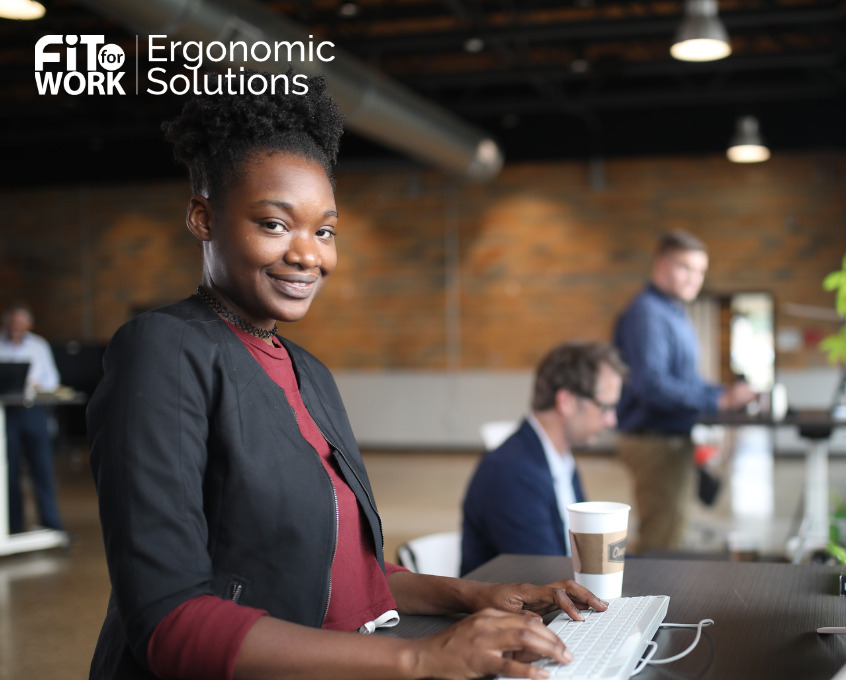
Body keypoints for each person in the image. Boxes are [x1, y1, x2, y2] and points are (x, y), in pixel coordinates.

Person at [86, 74, 605, 680]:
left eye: (324, 230)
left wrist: (478, 596)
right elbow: (170, 621)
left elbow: (346, 573)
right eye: (275, 224)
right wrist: (419, 656)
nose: (310, 254)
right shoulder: (164, 349)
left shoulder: (310, 374)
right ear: (203, 217)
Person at [612, 230, 757, 554]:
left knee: (671, 531)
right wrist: (716, 400)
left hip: (670, 439)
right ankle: (642, 603)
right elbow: (651, 384)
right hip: (654, 441)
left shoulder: (673, 311)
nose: (695, 279)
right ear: (661, 265)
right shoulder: (648, 313)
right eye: (685, 268)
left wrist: (724, 393)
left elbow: (686, 379)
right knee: (659, 540)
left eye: (700, 271)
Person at [461, 342, 627, 575]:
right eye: (605, 406)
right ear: (567, 402)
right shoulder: (510, 472)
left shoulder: (560, 460)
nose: (612, 421)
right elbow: (543, 578)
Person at [0, 303, 66, 536]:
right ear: (5, 323)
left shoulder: (39, 346)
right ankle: (13, 528)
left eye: (20, 323)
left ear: (29, 324)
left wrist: (37, 385)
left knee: (42, 468)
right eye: (12, 322)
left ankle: (52, 525)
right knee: (8, 472)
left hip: (34, 410)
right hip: (5, 415)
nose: (16, 327)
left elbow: (52, 380)